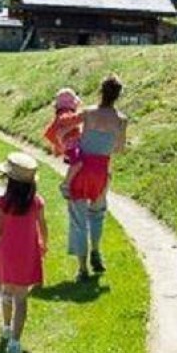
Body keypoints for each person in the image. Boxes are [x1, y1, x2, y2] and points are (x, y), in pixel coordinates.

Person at [67, 75, 127, 282]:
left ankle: (82, 268)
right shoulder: (121, 120)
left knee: (78, 218)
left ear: (100, 91)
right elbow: (119, 148)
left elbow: (65, 126)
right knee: (98, 213)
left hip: (82, 167)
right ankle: (96, 251)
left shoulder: (89, 113)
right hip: (102, 171)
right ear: (118, 95)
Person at [0, 152, 48, 353]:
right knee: (21, 298)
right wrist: (44, 245)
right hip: (27, 253)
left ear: (9, 182)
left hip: (6, 254)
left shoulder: (3, 203)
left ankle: (6, 327)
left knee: (6, 292)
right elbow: (42, 225)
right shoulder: (36, 202)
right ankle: (15, 342)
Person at [42, 88, 84, 198]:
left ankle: (71, 182)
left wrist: (58, 146)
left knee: (77, 163)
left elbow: (50, 132)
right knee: (78, 163)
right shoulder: (65, 114)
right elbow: (69, 120)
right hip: (72, 145)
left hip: (70, 146)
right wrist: (81, 118)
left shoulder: (60, 114)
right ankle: (66, 183)